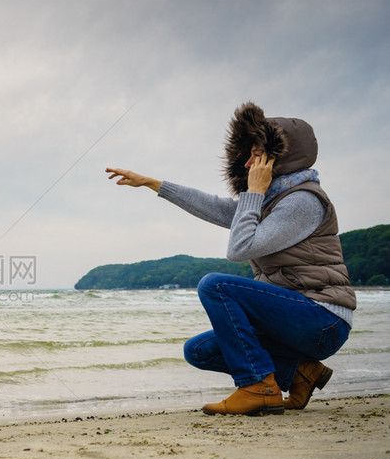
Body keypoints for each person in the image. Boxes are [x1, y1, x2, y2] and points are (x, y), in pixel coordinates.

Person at [105, 102, 356, 416]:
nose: (248, 163)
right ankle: (301, 373)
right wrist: (153, 183)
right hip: (295, 316)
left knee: (215, 286)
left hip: (322, 319)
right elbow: (216, 207)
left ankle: (258, 386)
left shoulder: (303, 201)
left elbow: (239, 249)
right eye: (248, 155)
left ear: (280, 157)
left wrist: (253, 193)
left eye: (256, 155)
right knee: (198, 351)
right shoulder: (271, 200)